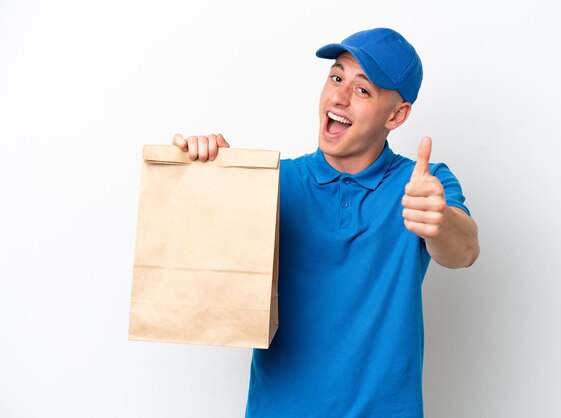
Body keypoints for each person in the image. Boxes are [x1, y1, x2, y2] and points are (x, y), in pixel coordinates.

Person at [173, 28, 479, 418]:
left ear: (397, 115)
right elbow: (202, 269)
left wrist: (438, 222)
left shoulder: (423, 184)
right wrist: (215, 179)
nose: (339, 96)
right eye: (336, 78)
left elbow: (464, 250)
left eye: (362, 90)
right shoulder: (274, 182)